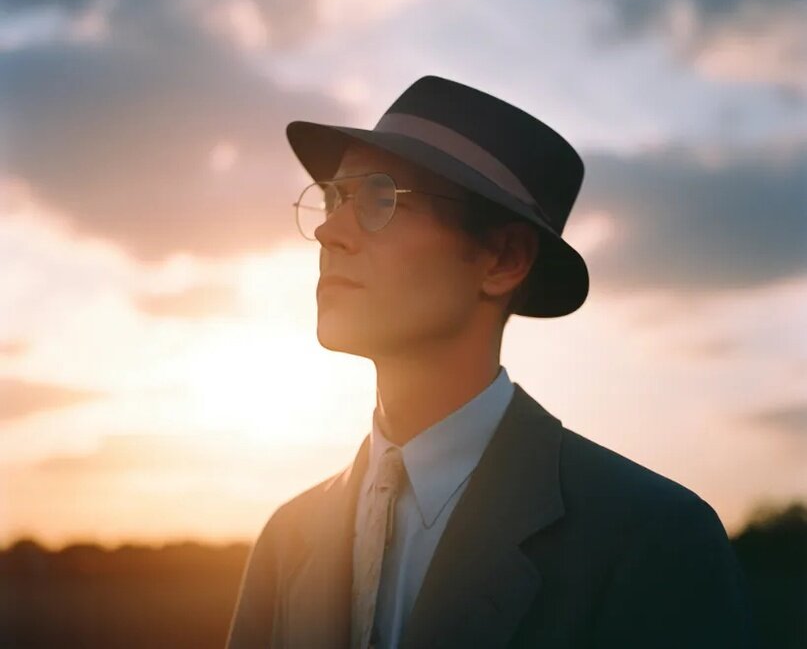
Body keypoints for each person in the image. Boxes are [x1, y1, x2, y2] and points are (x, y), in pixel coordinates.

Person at [226, 76, 757, 648]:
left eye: (379, 199)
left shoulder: (653, 538)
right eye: (333, 198)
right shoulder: (287, 541)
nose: (329, 231)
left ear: (503, 258)